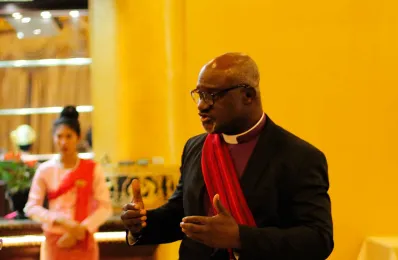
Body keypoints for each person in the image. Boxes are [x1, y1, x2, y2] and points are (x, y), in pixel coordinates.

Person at [121, 53, 333, 259]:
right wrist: (142, 224)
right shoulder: (195, 147)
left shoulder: (300, 157)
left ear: (248, 96)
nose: (201, 106)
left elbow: (318, 239)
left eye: (213, 96)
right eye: (199, 94)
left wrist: (240, 238)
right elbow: (182, 215)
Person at [24, 106, 113, 260]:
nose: (63, 142)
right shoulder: (45, 170)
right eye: (59, 136)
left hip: (83, 239)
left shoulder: (92, 169)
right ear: (53, 138)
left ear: (78, 138)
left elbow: (105, 207)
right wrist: (60, 220)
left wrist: (80, 229)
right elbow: (31, 208)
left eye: (68, 136)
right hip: (55, 241)